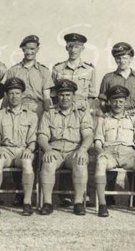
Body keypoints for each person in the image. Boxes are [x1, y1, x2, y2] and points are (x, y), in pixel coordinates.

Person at [98, 42, 135, 205]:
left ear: (131, 58)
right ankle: (109, 195)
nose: (121, 61)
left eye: (125, 57)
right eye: (118, 58)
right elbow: (102, 102)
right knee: (111, 151)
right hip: (113, 117)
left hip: (134, 119)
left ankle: (134, 198)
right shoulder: (108, 78)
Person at [94, 85, 135, 218]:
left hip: (129, 154)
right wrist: (100, 151)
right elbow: (98, 140)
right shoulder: (103, 119)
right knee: (100, 162)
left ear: (125, 102)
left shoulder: (133, 119)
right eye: (114, 101)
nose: (117, 104)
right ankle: (102, 205)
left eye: (121, 101)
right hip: (110, 153)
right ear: (109, 102)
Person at [52, 33, 97, 206]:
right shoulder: (58, 69)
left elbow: (92, 95)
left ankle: (86, 193)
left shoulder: (89, 69)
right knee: (64, 145)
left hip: (82, 114)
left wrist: (83, 110)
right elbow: (55, 94)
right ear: (66, 47)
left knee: (86, 150)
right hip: (63, 113)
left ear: (82, 48)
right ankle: (65, 195)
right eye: (70, 46)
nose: (73, 49)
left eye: (77, 46)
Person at [38, 79, 94, 216]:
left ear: (73, 96)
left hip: (73, 151)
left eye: (68, 95)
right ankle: (47, 203)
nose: (65, 98)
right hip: (55, 150)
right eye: (62, 95)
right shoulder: (49, 113)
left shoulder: (82, 113)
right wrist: (48, 149)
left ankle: (78, 203)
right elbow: (42, 136)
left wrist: (82, 150)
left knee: (81, 162)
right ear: (57, 95)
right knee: (48, 162)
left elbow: (88, 136)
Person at [0, 77, 38, 216]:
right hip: (5, 150)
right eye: (11, 93)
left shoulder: (31, 116)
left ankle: (27, 202)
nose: (14, 96)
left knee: (28, 162)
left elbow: (33, 140)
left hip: (22, 150)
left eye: (17, 93)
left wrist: (29, 149)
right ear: (6, 95)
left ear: (22, 94)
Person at [2, 35, 53, 117]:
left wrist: (48, 114)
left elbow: (46, 96)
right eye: (27, 49)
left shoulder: (44, 71)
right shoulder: (13, 70)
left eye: (32, 49)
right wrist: (3, 114)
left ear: (37, 49)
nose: (29, 52)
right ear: (23, 49)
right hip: (18, 108)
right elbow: (6, 96)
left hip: (38, 108)